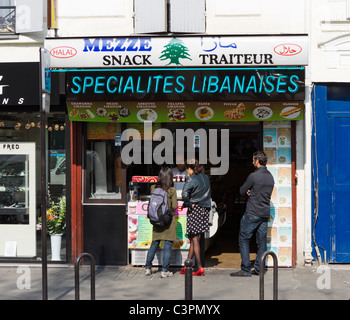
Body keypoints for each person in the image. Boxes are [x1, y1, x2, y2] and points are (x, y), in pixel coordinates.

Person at [230, 151, 274, 277]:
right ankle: (259, 269)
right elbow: (261, 192)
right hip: (264, 213)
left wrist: (250, 191)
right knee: (262, 242)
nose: (252, 162)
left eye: (253, 160)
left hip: (252, 212)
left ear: (257, 161)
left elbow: (242, 191)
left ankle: (245, 269)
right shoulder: (270, 176)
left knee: (243, 239)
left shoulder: (254, 176)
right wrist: (253, 191)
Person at [145, 166, 178, 278]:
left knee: (154, 244)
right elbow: (174, 206)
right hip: (168, 222)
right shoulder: (172, 190)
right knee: (168, 245)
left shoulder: (153, 188)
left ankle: (148, 268)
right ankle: (164, 271)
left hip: (156, 220)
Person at [181, 159, 211, 276]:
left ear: (190, 168)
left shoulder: (191, 179)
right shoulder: (206, 177)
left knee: (194, 238)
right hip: (204, 210)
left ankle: (199, 267)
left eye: (187, 169)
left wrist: (189, 203)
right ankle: (186, 266)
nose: (187, 171)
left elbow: (184, 195)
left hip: (195, 210)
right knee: (195, 237)